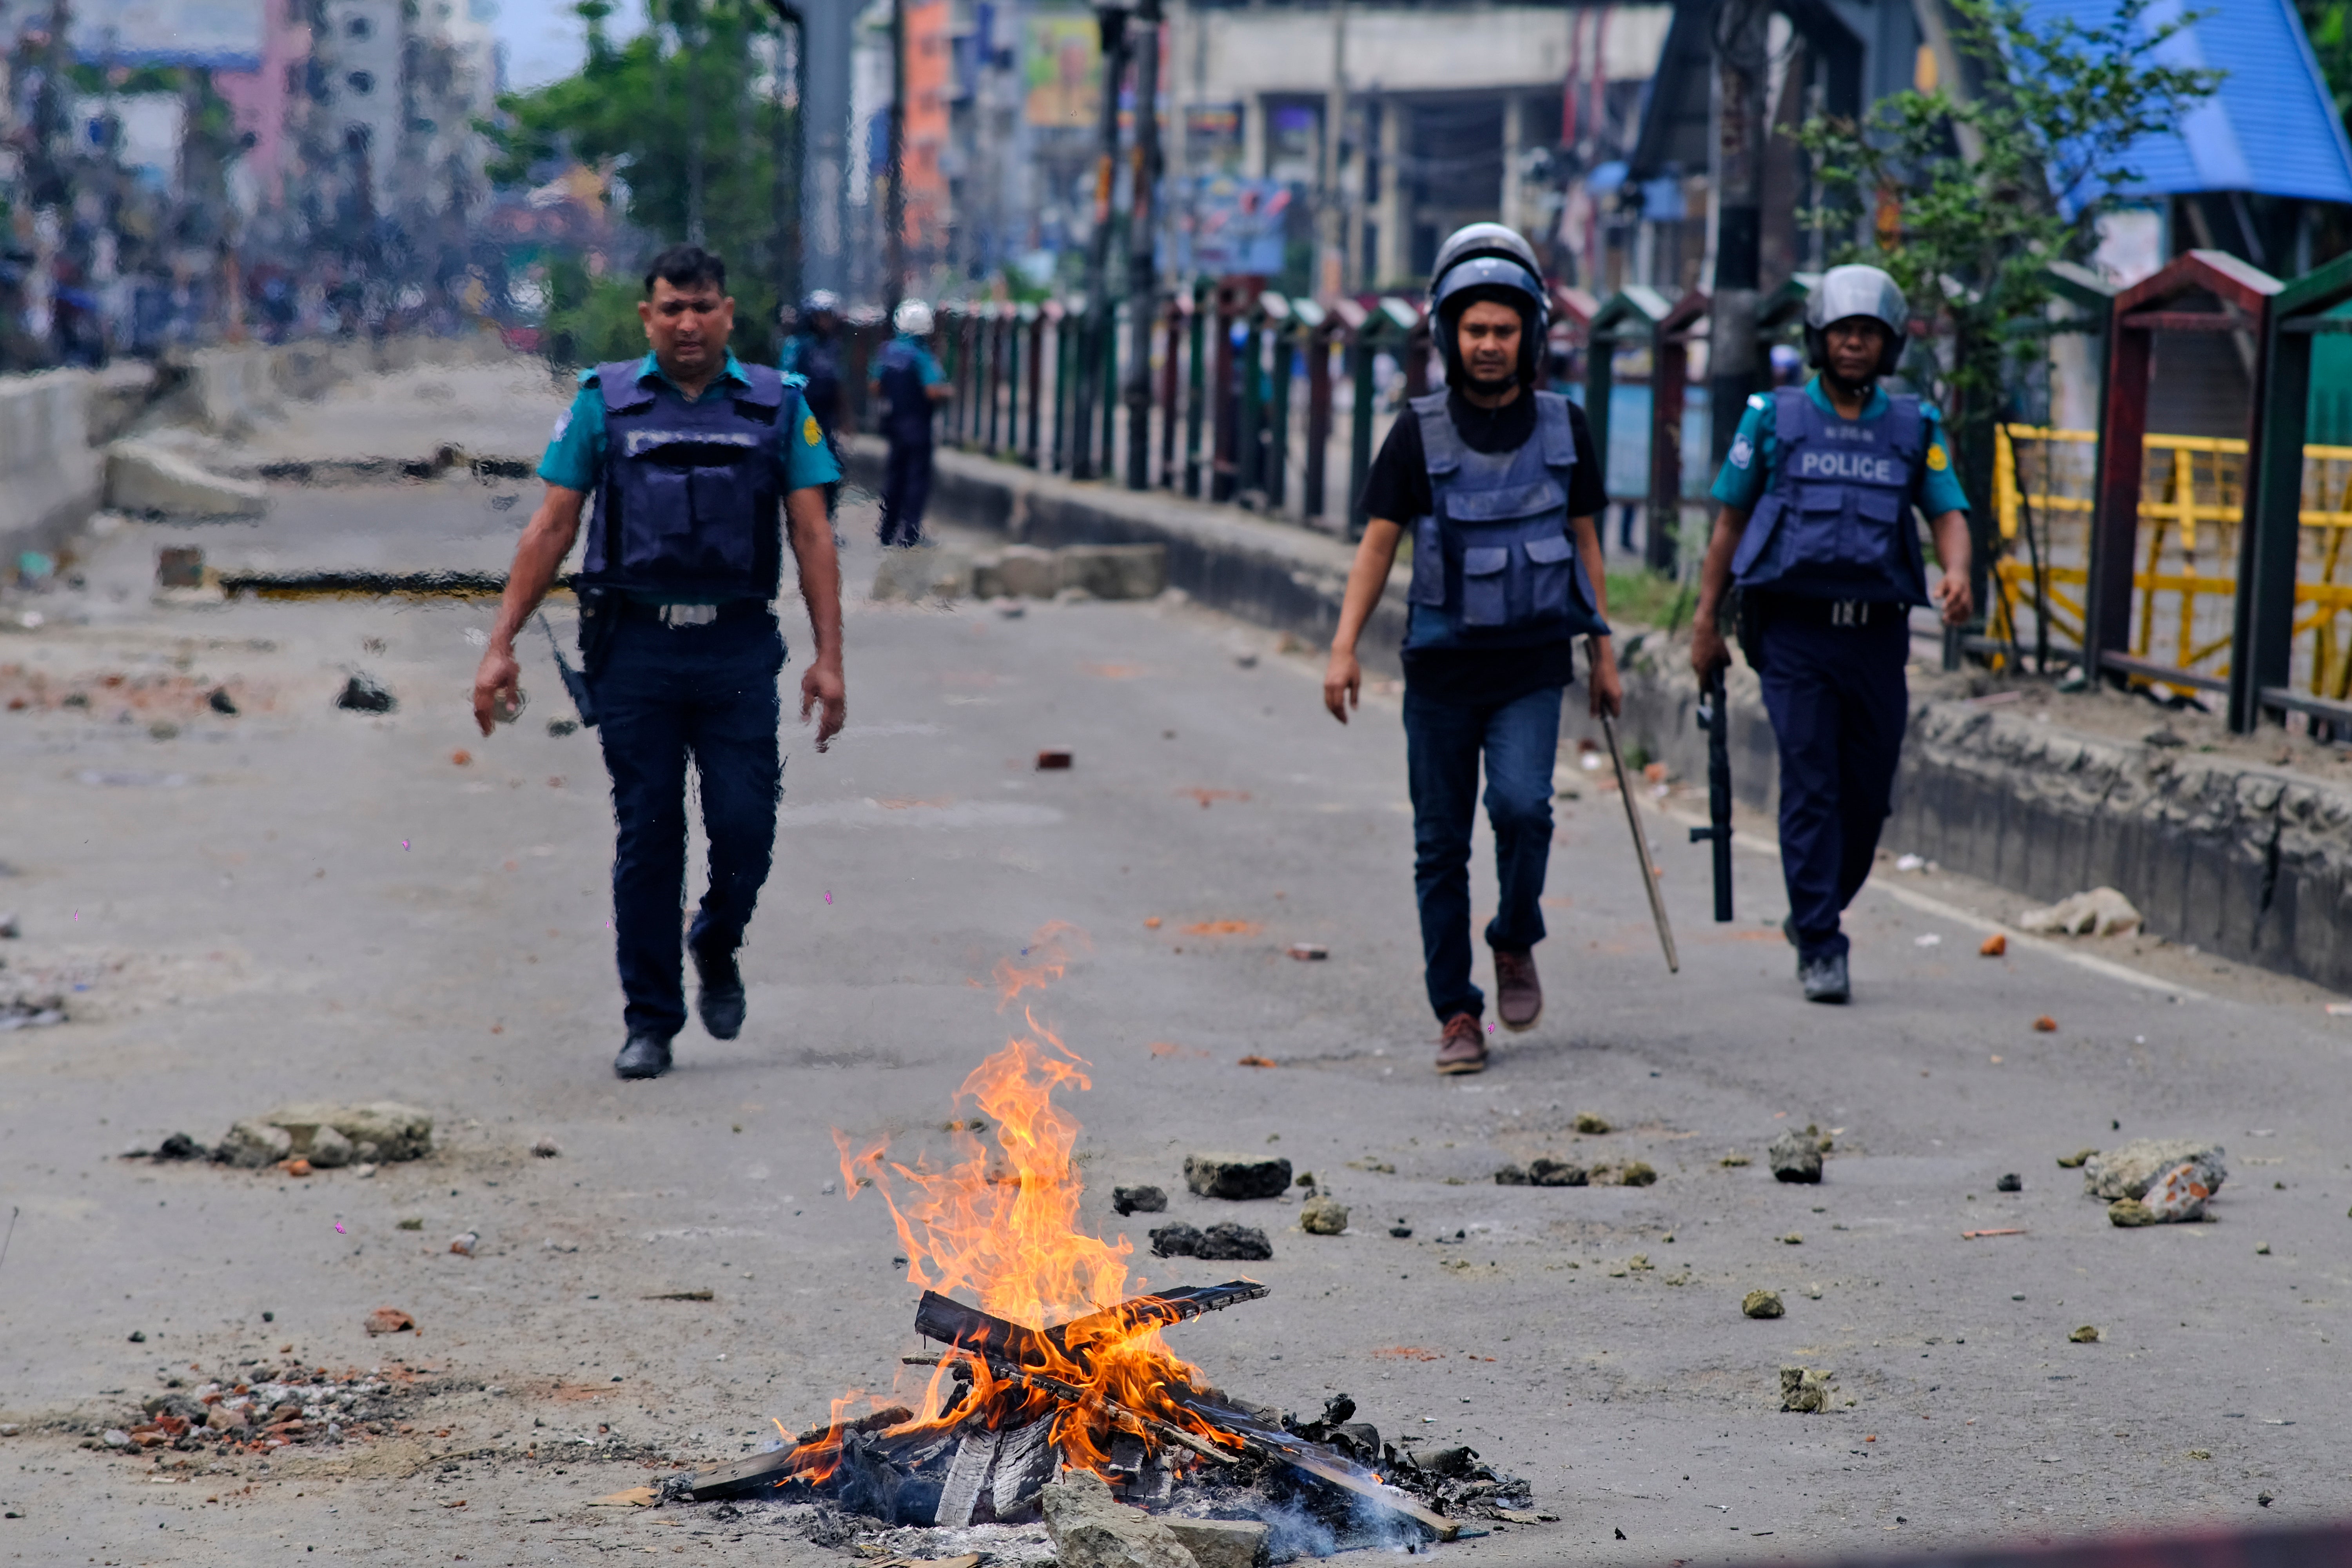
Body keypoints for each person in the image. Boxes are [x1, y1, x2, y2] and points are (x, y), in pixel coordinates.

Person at [469, 244, 848, 1081]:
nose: (687, 322)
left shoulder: (779, 404)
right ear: (648, 316)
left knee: (746, 825)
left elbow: (812, 531)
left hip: (737, 646)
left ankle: (717, 935)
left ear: (728, 313)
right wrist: (500, 646)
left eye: (702, 306)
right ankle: (650, 1019)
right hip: (635, 647)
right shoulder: (604, 403)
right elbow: (553, 525)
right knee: (649, 832)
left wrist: (830, 657)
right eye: (671, 307)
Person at [1322, 223, 1619, 1076]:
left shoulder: (1566, 427)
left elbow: (1586, 540)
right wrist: (1344, 649)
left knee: (1526, 808)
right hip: (1443, 672)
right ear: (1448, 335)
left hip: (1532, 665)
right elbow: (1378, 546)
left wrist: (1604, 652)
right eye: (1474, 330)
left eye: (1504, 329)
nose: (1489, 344)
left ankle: (1515, 935)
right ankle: (1457, 1010)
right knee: (1439, 844)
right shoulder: (1416, 434)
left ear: (1531, 333)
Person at [1688, 263, 1974, 1005]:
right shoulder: (1773, 418)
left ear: (1890, 346)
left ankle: (1815, 908)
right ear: (1820, 339)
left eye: (1870, 334)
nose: (1856, 345)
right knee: (1811, 783)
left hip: (1879, 638)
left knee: (1867, 797)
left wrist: (1957, 573)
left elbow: (1947, 512)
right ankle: (1821, 941)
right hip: (1795, 636)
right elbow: (1730, 522)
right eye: (1844, 332)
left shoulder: (1915, 426)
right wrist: (1704, 623)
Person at [869, 298, 951, 547]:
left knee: (894, 477)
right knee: (916, 478)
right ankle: (909, 533)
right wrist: (948, 393)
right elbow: (932, 391)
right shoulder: (921, 355)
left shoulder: (887, 352)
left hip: (894, 424)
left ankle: (886, 530)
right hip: (917, 425)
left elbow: (875, 387)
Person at [780, 290, 849, 440]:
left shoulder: (833, 347)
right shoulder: (797, 345)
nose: (826, 321)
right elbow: (785, 380)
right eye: (822, 316)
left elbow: (837, 383)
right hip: (803, 412)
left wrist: (845, 419)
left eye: (829, 316)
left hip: (826, 416)